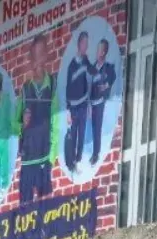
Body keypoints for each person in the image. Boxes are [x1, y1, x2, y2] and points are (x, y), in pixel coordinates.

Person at [16, 39, 59, 206]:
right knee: (24, 210)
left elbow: (56, 123)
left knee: (44, 209)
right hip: (27, 160)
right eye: (34, 57)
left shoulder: (53, 86)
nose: (37, 62)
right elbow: (14, 124)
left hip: (44, 157)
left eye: (40, 55)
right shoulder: (25, 90)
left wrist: (51, 158)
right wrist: (22, 124)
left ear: (46, 57)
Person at [64, 31, 92, 171]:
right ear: (79, 44)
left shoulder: (86, 61)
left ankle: (78, 160)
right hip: (74, 107)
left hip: (83, 105)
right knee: (73, 135)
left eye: (87, 43)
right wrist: (68, 110)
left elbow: (91, 73)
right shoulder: (72, 66)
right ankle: (71, 162)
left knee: (82, 134)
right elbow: (68, 89)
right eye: (84, 43)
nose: (85, 46)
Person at [89, 38, 117, 167]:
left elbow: (113, 77)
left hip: (101, 102)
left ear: (104, 52)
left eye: (100, 49)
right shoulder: (92, 68)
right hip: (91, 102)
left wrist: (106, 86)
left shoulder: (108, 67)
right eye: (97, 49)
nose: (98, 52)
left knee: (97, 128)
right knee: (91, 128)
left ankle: (96, 154)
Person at [0, 72, 14, 192]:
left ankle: (4, 185)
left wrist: (9, 131)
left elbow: (9, 115)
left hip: (4, 135)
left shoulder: (6, 98)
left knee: (4, 162)